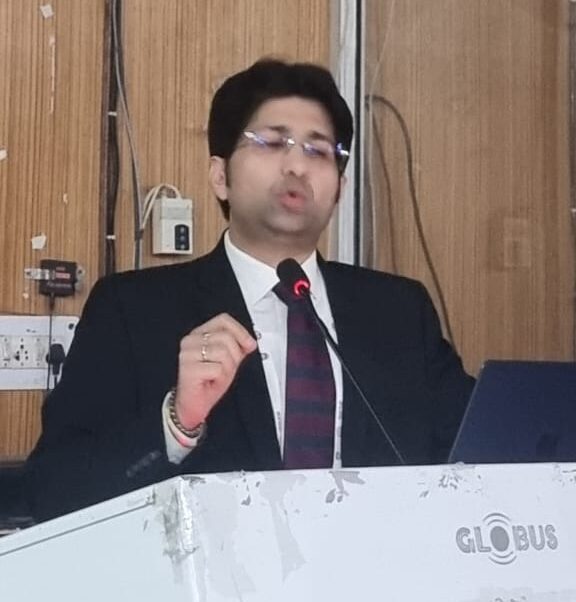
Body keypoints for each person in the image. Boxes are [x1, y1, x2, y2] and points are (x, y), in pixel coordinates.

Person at [26, 59, 475, 522]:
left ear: (340, 189)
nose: (297, 165)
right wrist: (176, 422)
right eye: (272, 142)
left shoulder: (398, 312)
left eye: (319, 151)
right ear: (220, 176)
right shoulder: (133, 309)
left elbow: (481, 451)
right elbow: (53, 491)